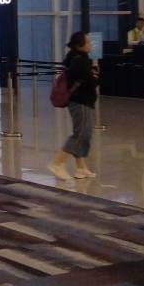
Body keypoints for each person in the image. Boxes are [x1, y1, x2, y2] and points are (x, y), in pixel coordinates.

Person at [47, 32, 100, 181]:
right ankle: (58, 163)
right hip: (81, 101)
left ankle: (80, 167)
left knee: (85, 134)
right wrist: (95, 77)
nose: (90, 44)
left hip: (82, 100)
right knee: (80, 133)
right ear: (79, 45)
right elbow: (92, 81)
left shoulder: (76, 59)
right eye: (87, 42)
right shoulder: (81, 61)